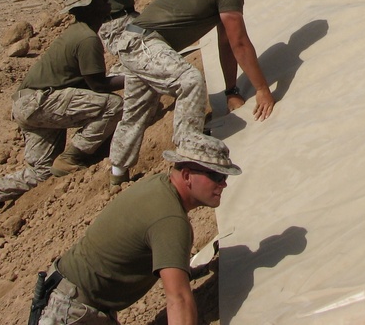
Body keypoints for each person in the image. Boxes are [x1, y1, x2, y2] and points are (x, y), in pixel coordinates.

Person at [107, 0, 275, 187]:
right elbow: (240, 43)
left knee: (138, 108)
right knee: (190, 80)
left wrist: (232, 91)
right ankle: (190, 157)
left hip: (135, 41)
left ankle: (117, 173)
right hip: (146, 43)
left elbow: (226, 43)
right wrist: (263, 89)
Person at [0, 0, 124, 230]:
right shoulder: (87, 38)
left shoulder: (78, 33)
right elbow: (98, 87)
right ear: (87, 7)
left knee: (43, 172)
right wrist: (134, 77)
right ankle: (74, 156)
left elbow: (87, 88)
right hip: (41, 102)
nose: (107, 1)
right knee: (114, 106)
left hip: (28, 105)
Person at [32, 135, 241, 325]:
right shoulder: (170, 219)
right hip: (72, 311)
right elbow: (179, 299)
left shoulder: (159, 185)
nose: (223, 184)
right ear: (187, 175)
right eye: (216, 176)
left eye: (224, 177)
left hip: (73, 297)